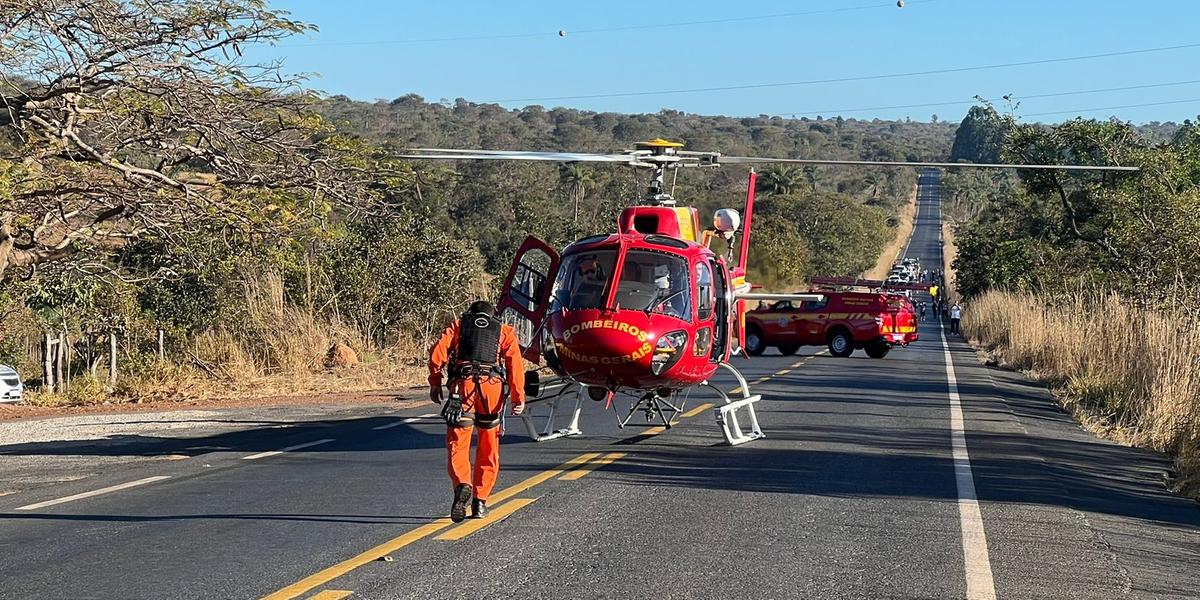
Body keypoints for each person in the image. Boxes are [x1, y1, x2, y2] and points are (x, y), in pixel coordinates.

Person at [428, 300, 526, 522]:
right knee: (488, 447)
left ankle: (462, 484)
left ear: (470, 314)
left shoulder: (458, 326)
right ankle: (480, 503)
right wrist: (519, 398)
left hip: (462, 389)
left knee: (457, 444)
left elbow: (438, 353)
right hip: (492, 390)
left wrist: (435, 381)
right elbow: (515, 366)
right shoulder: (505, 331)